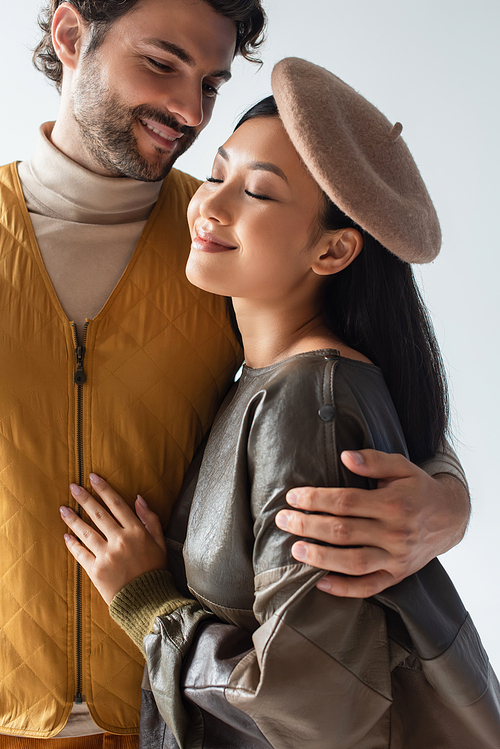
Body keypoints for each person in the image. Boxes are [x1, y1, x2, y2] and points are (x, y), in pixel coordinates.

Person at [0, 0, 468, 744]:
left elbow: (352, 384)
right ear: (68, 35)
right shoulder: (226, 231)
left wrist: (447, 499)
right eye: (160, 63)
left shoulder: (224, 250)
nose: (189, 109)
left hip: (175, 715)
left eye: (211, 82)